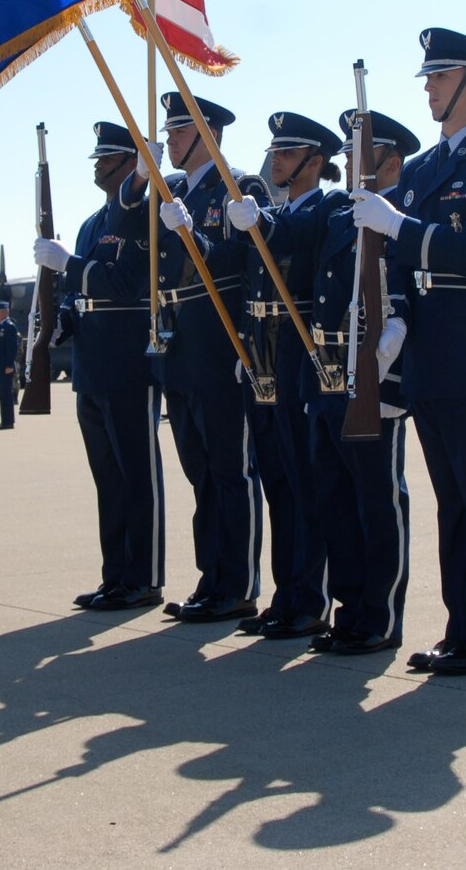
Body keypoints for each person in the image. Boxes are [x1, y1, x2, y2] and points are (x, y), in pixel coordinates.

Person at [352, 28, 466, 677]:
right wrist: (392, 323)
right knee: (451, 501)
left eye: (440, 75)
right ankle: (462, 629)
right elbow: (391, 258)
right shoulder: (426, 168)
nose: (429, 86)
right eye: (428, 76)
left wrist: (398, 226)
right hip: (428, 349)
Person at [232, 107, 422, 656]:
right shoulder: (341, 212)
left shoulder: (395, 211)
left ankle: (380, 616)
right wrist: (259, 220)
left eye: (360, 150)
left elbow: (404, 277)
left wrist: (400, 324)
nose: (348, 158)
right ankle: (349, 606)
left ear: (388, 158)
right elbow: (290, 230)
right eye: (346, 150)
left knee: (377, 499)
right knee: (334, 497)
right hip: (327, 373)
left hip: (374, 373)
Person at [150, 91, 269, 624]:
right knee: (199, 468)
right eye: (171, 131)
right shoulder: (172, 191)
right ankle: (210, 576)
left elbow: (245, 263)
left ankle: (238, 583)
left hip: (221, 340)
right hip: (181, 341)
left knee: (231, 467)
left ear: (209, 135)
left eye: (179, 131)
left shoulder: (240, 187)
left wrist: (190, 231)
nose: (172, 139)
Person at [36, 121, 165, 612]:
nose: (96, 165)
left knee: (137, 474)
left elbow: (126, 284)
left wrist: (67, 263)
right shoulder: (93, 224)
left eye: (105, 158)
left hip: (129, 362)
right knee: (107, 478)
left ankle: (145, 577)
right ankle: (116, 576)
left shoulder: (139, 219)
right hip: (91, 364)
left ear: (130, 164)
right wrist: (60, 324)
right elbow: (77, 296)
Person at [229, 110, 342, 640]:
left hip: (298, 351)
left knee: (303, 478)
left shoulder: (326, 206)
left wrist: (261, 222)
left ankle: (310, 598)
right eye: (275, 152)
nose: (276, 160)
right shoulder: (270, 210)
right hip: (263, 351)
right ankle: (284, 594)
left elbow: (292, 234)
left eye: (288, 153)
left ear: (315, 162)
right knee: (275, 478)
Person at [0, 303, 21, 429]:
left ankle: (8, 421)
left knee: (6, 394)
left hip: (5, 366)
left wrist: (9, 364)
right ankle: (4, 420)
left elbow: (12, 348)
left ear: (5, 312)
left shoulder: (9, 326)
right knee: (1, 394)